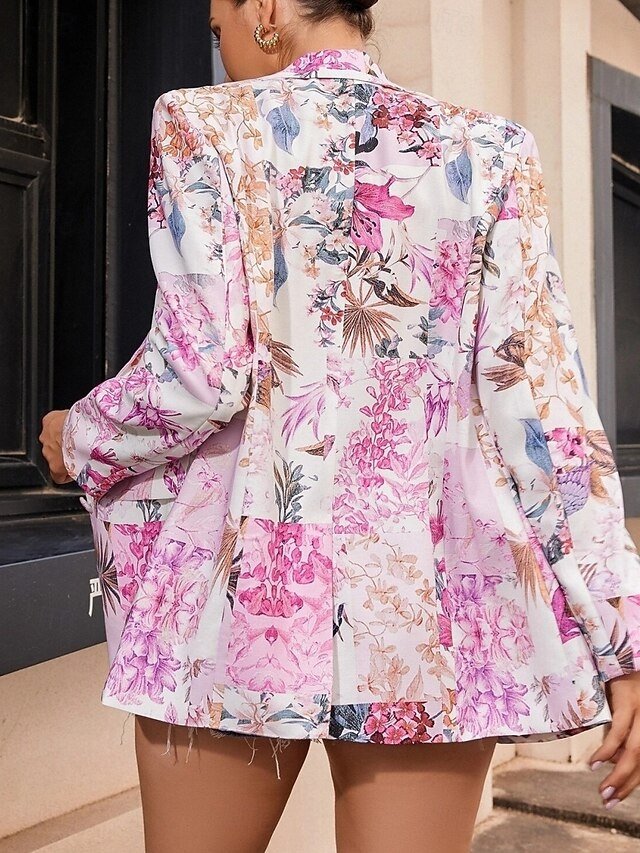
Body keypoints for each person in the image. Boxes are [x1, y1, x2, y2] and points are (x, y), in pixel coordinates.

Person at [39, 0, 640, 850]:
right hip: (425, 604)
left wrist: (78, 436)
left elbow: (199, 374)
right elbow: (541, 403)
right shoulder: (492, 149)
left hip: (241, 590)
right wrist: (621, 631)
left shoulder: (202, 123)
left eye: (217, 28)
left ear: (266, 7)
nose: (221, 48)